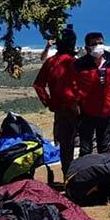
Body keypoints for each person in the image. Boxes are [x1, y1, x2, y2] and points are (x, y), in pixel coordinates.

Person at [32, 24, 81, 174]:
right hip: (77, 108)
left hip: (60, 110)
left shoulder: (51, 62)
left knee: (66, 146)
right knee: (86, 143)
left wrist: (48, 102)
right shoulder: (75, 62)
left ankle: (68, 176)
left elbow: (38, 85)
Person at [74, 32, 110, 156]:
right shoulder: (80, 65)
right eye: (94, 44)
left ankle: (104, 172)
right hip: (87, 114)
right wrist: (76, 105)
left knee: (104, 146)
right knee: (86, 148)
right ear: (87, 48)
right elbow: (74, 86)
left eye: (100, 43)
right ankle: (85, 172)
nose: (98, 46)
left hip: (106, 112)